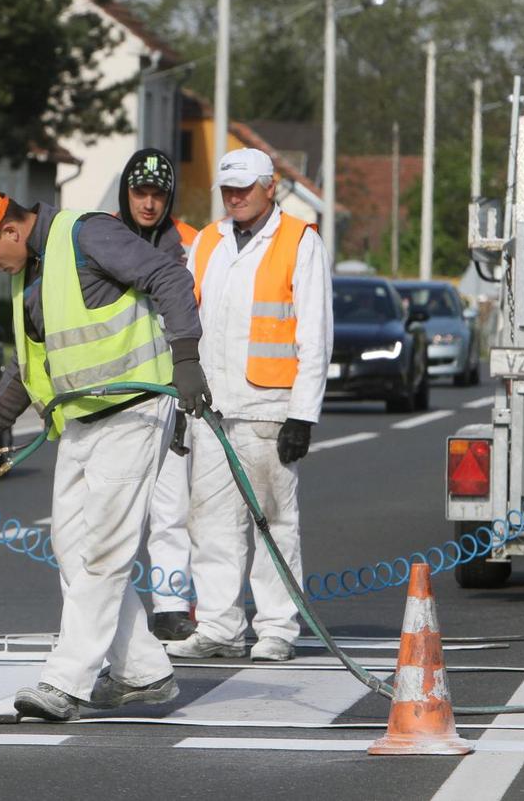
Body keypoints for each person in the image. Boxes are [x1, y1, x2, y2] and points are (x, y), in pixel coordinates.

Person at [0, 189, 210, 721]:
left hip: (135, 409)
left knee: (104, 552)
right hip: (80, 422)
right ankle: (144, 672)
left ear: (12, 231)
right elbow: (29, 365)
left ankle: (64, 681)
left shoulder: (87, 234)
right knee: (70, 549)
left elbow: (170, 277)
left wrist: (186, 357)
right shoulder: (32, 272)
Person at [167, 148, 333, 663]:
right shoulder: (209, 242)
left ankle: (278, 628)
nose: (235, 197)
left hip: (267, 407)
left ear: (270, 187)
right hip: (211, 408)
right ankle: (218, 626)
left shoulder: (299, 242)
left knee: (273, 521)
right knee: (210, 519)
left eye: (244, 188)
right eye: (227, 190)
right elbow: (185, 322)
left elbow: (315, 336)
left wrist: (303, 415)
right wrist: (179, 402)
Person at [116, 149, 198, 642]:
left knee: (171, 507)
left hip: (170, 389)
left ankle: (170, 604)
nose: (148, 204)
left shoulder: (186, 244)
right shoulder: (103, 237)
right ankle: (114, 605)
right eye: (140, 193)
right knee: (117, 510)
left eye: (158, 195)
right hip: (117, 391)